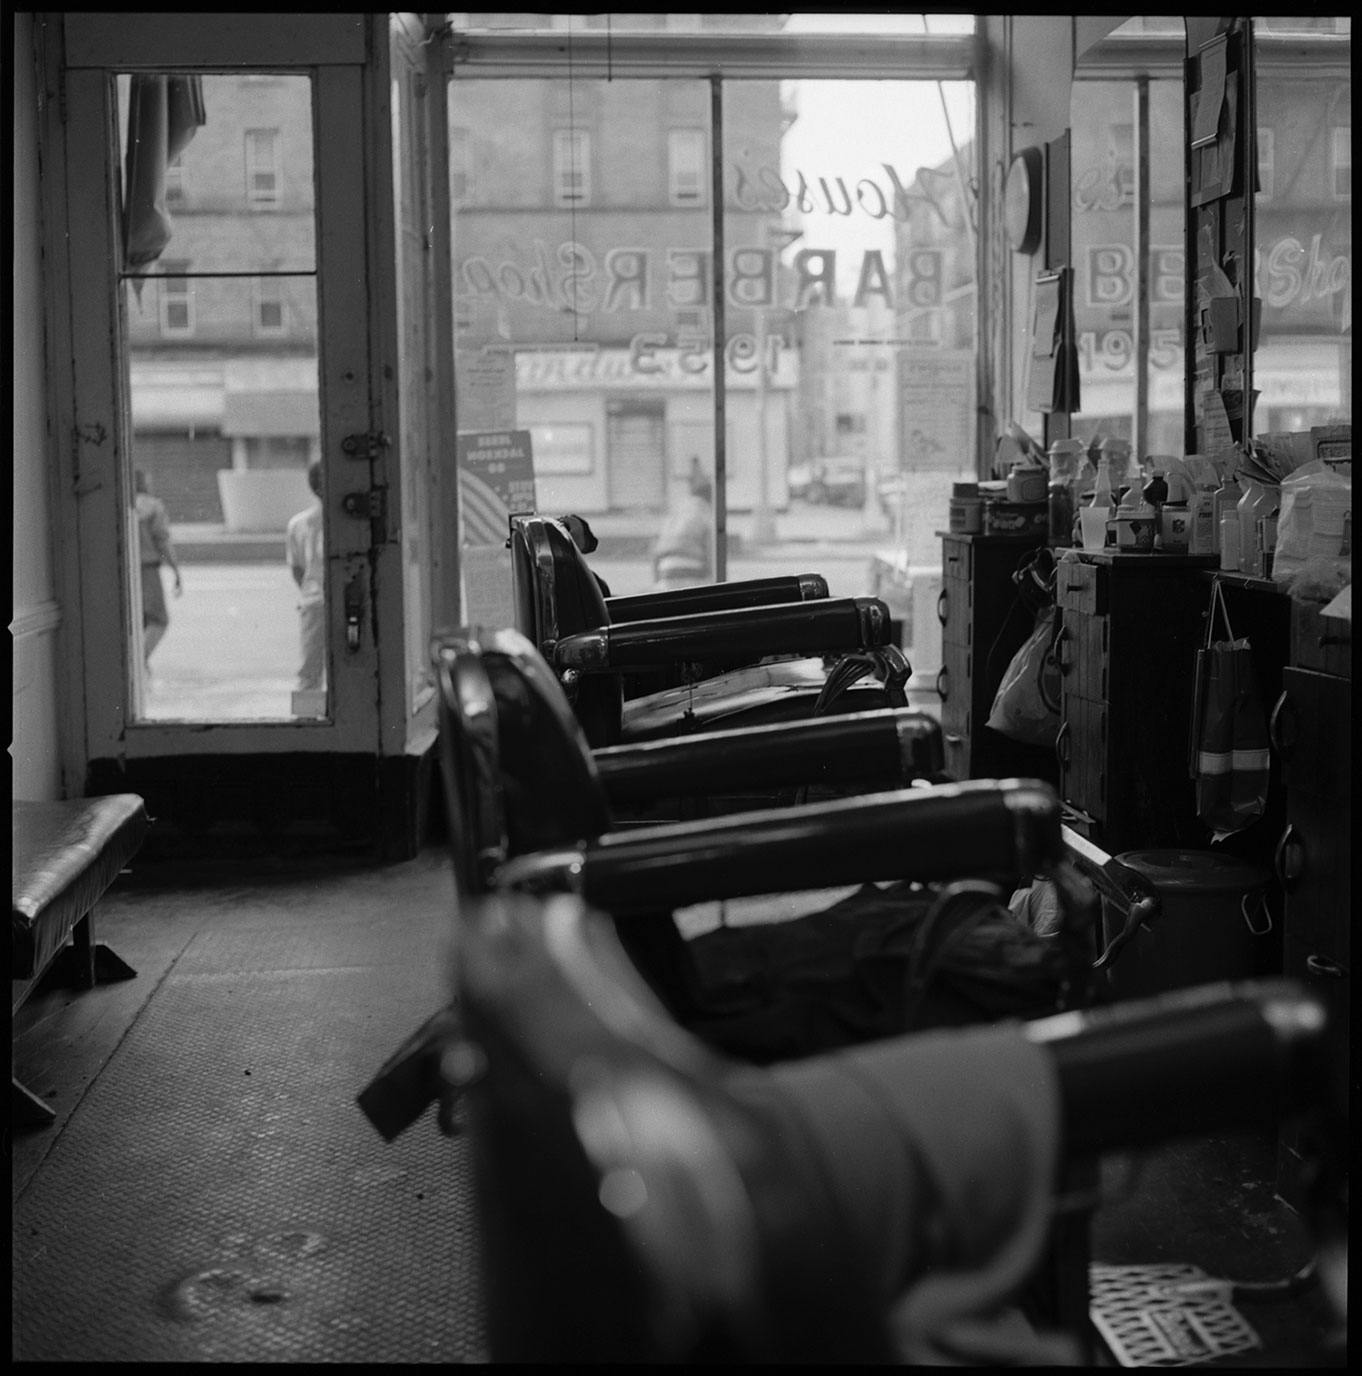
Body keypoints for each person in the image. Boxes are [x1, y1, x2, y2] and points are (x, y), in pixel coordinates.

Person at [133, 468, 182, 667]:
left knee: (138, 619)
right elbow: (162, 541)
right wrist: (175, 570)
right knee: (158, 619)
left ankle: (137, 659)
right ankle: (138, 660)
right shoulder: (153, 507)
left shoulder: (123, 506)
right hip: (147, 568)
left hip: (128, 569)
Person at [287, 459, 326, 693]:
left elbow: (297, 569)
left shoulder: (299, 524)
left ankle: (308, 718)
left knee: (309, 672)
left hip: (313, 601)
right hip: (327, 601)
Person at [651, 458, 714, 591]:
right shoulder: (704, 513)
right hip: (692, 572)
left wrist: (657, 581)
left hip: (665, 571)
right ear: (708, 496)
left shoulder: (676, 511)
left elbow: (655, 549)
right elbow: (710, 553)